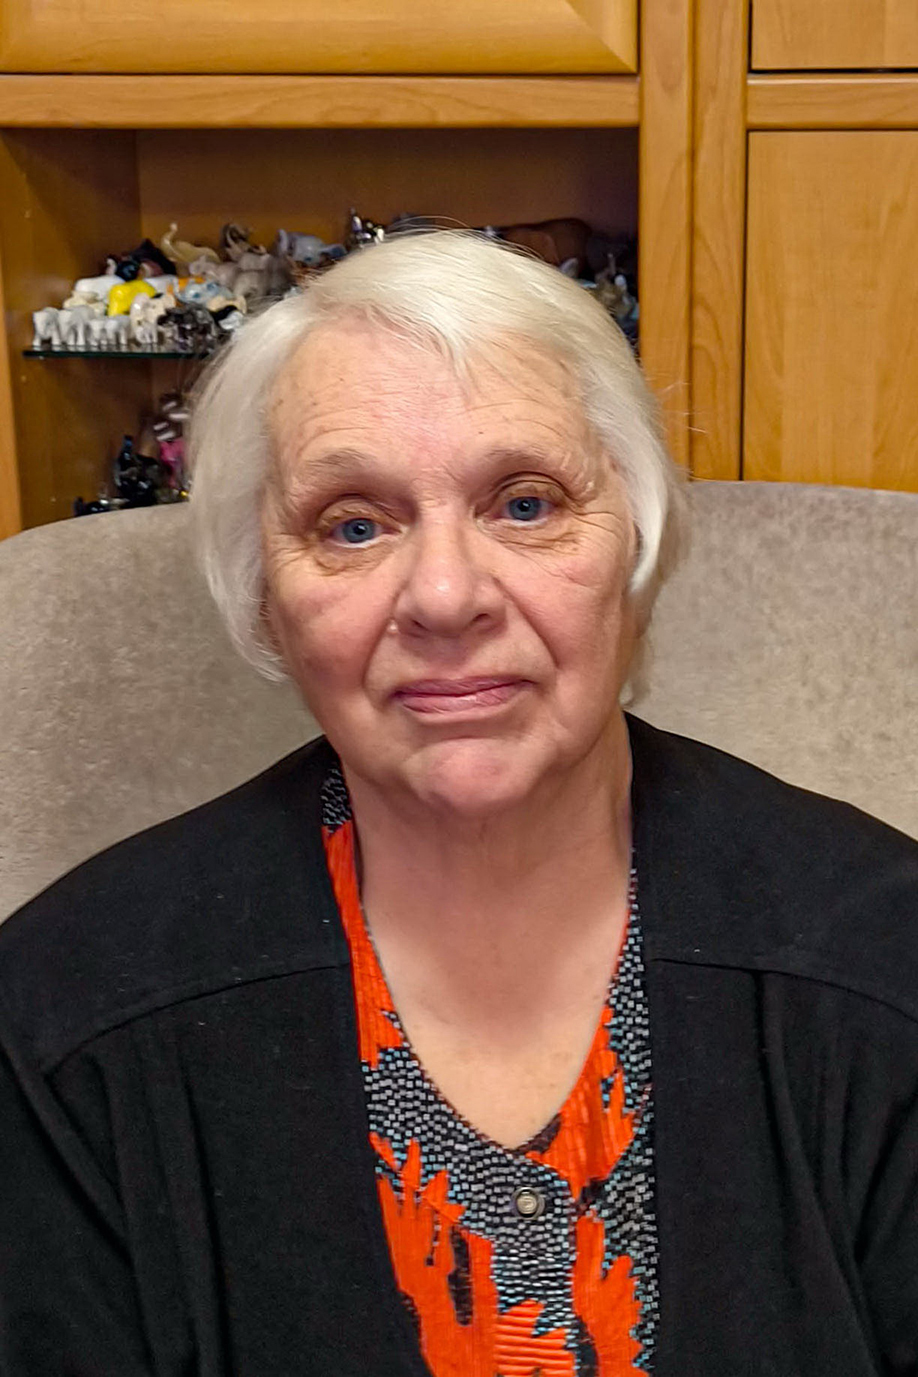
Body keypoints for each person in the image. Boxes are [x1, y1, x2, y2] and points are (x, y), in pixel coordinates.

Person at [0, 231, 916, 1377]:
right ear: (264, 599)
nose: (444, 595)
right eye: (353, 525)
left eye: (525, 504)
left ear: (635, 551)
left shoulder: (886, 958)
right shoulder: (63, 1019)